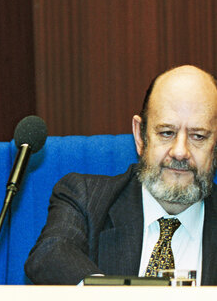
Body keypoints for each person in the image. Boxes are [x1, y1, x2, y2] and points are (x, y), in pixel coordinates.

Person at [25, 64, 217, 285]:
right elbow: (51, 253)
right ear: (140, 135)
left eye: (199, 136)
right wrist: (111, 300)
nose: (180, 152)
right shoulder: (85, 198)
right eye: (166, 133)